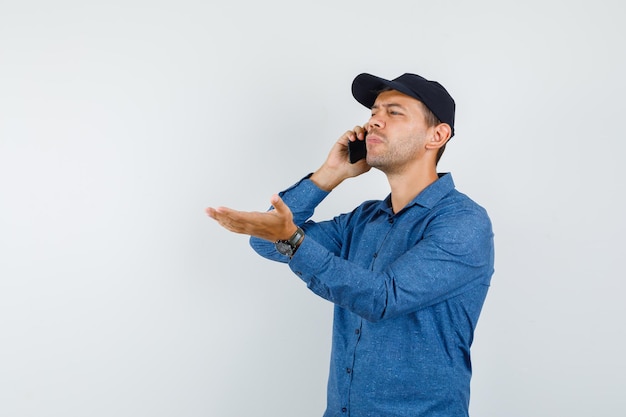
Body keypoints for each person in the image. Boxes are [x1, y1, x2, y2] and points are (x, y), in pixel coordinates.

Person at [206, 72, 495, 417]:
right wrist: (329, 174)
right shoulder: (363, 220)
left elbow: (382, 298)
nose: (374, 121)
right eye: (374, 112)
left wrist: (292, 238)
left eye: (394, 112)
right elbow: (268, 242)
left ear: (437, 135)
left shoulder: (464, 222)